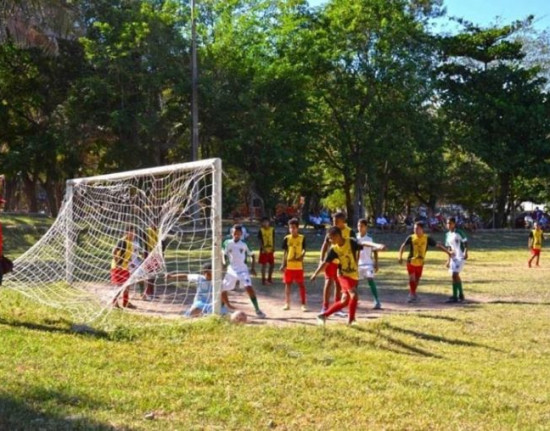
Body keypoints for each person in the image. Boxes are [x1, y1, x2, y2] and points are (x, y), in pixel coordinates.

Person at [311, 227, 385, 325]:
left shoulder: (351, 242)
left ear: (337, 236)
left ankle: (323, 315)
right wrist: (315, 273)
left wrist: (377, 245)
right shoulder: (334, 250)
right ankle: (351, 320)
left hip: (353, 275)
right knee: (354, 295)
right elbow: (325, 263)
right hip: (343, 275)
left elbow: (364, 243)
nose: (330, 240)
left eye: (331, 238)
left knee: (345, 301)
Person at [398, 221, 451, 303]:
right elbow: (403, 246)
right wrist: (400, 257)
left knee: (417, 279)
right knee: (412, 278)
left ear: (422, 229)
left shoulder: (427, 238)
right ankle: (411, 295)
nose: (415, 230)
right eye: (414, 228)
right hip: (411, 261)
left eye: (417, 228)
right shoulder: (411, 237)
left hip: (420, 262)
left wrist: (448, 252)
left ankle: (414, 293)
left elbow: (438, 246)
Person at [222, 224, 266, 318]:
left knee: (248, 287)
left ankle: (257, 309)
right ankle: (223, 307)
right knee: (222, 288)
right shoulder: (227, 243)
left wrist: (253, 268)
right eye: (234, 233)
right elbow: (224, 254)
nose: (236, 235)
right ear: (232, 233)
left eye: (238, 233)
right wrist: (224, 263)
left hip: (242, 269)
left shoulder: (244, 244)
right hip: (231, 269)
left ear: (241, 234)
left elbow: (252, 255)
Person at [319, 212, 354, 317]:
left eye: (336, 221)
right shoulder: (331, 230)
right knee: (328, 282)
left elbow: (354, 247)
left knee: (339, 285)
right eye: (333, 221)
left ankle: (337, 308)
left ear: (343, 220)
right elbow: (325, 245)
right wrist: (322, 259)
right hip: (331, 262)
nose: (334, 223)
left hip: (343, 264)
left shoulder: (350, 232)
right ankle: (324, 307)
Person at [280, 218, 308, 311]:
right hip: (289, 266)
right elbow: (285, 252)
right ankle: (287, 304)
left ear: (297, 228)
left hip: (299, 266)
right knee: (287, 285)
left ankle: (303, 305)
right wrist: (283, 264)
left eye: (294, 228)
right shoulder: (286, 238)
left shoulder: (302, 238)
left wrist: (302, 256)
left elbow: (304, 249)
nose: (292, 229)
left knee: (301, 285)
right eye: (290, 228)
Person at [357, 218, 382, 309]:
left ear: (366, 227)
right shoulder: (355, 237)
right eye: (358, 226)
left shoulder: (369, 238)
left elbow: (375, 251)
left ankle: (377, 301)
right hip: (358, 264)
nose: (360, 228)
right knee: (355, 283)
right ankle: (354, 299)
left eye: (362, 226)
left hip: (368, 264)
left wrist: (376, 262)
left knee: (370, 280)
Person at [111, 226, 137, 309]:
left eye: (134, 233)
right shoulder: (123, 241)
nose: (133, 234)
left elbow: (126, 254)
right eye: (131, 232)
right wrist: (117, 262)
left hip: (125, 267)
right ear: (127, 233)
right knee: (120, 285)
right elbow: (114, 251)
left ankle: (126, 302)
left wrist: (130, 262)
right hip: (118, 267)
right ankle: (114, 302)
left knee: (127, 285)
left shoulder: (131, 242)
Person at [444, 217, 469, 303]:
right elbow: (449, 248)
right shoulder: (447, 235)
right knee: (454, 276)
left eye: (450, 223)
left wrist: (466, 252)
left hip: (460, 256)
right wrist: (448, 259)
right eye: (447, 223)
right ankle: (460, 295)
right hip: (453, 258)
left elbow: (465, 242)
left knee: (455, 275)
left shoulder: (459, 232)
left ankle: (455, 296)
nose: (448, 225)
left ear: (454, 224)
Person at [257, 217, 275, 285]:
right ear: (262, 223)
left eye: (267, 222)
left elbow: (273, 238)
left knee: (272, 264)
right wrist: (263, 248)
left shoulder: (272, 230)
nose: (265, 223)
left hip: (270, 250)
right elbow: (259, 241)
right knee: (264, 265)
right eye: (264, 222)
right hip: (264, 251)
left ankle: (269, 279)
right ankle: (263, 280)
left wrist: (273, 247)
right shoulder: (261, 230)